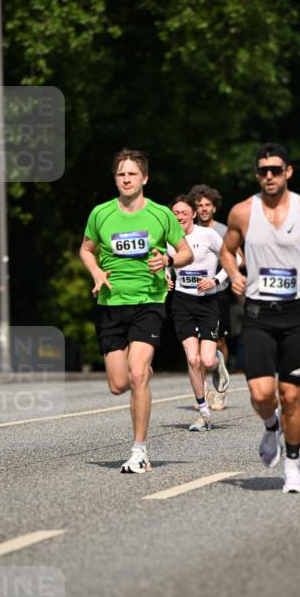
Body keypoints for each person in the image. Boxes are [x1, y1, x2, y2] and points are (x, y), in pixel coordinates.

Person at [220, 142, 300, 493]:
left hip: (296, 313)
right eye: (262, 171)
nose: (268, 176)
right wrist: (234, 273)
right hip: (257, 312)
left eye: (275, 170)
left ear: (288, 172)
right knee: (261, 394)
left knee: (290, 395)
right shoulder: (242, 212)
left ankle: (293, 467)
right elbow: (228, 251)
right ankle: (271, 426)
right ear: (257, 175)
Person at [79, 149, 192, 472]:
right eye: (120, 174)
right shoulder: (100, 214)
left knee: (137, 373)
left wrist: (168, 261)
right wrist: (97, 273)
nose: (126, 179)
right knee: (118, 384)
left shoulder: (160, 215)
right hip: (111, 304)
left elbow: (185, 252)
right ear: (115, 179)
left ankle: (139, 450)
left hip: (148, 302)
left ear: (144, 178)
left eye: (132, 174)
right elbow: (86, 250)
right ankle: (139, 376)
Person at [167, 195, 230, 431]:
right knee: (193, 360)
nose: (179, 216)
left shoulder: (208, 235)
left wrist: (215, 280)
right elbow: (163, 263)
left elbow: (235, 258)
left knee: (206, 360)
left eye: (183, 212)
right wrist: (164, 276)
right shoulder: (168, 238)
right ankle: (203, 413)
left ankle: (218, 363)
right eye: (175, 213)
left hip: (207, 303)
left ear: (193, 214)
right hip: (182, 303)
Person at [187, 183, 233, 410]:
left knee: (218, 341)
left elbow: (236, 257)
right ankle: (202, 391)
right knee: (196, 344)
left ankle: (220, 390)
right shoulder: (188, 230)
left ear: (214, 208)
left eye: (208, 205)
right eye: (199, 205)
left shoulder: (223, 230)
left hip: (219, 292)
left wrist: (224, 279)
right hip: (192, 295)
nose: (204, 209)